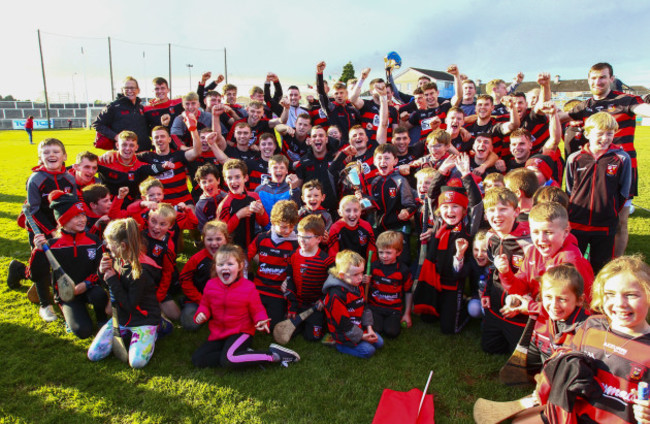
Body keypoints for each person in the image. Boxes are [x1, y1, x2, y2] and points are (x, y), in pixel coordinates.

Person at [536, 255, 650, 424]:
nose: (619, 303)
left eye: (631, 295)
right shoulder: (591, 325)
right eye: (610, 294)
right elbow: (564, 360)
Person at [561, 63, 650, 258]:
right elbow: (558, 118)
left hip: (622, 170)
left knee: (620, 222)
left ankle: (615, 264)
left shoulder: (624, 99)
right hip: (592, 168)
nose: (597, 82)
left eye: (602, 77)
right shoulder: (586, 106)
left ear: (611, 78)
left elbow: (645, 110)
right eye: (593, 78)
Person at [191, 244, 301, 369]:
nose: (225, 268)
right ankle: (246, 357)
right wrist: (202, 314)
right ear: (215, 267)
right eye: (220, 265)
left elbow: (257, 309)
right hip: (219, 332)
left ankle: (274, 355)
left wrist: (261, 321)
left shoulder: (248, 287)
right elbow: (205, 305)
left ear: (240, 266)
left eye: (230, 264)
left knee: (228, 360)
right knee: (198, 359)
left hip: (241, 331)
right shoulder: (211, 285)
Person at [8, 138, 77, 317]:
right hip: (38, 229)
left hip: (60, 229)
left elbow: (72, 206)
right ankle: (45, 306)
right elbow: (35, 211)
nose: (51, 155)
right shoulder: (36, 179)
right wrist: (51, 231)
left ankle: (18, 269)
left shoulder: (70, 179)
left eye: (56, 152)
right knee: (41, 265)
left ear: (64, 156)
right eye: (46, 152)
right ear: (40, 157)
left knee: (59, 263)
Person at [414, 153, 482, 335]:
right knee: (428, 318)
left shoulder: (467, 227)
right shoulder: (439, 224)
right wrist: (442, 171)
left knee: (449, 329)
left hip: (454, 283)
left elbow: (477, 205)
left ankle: (466, 303)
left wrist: (466, 174)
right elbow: (431, 194)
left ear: (463, 209)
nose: (449, 211)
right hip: (434, 279)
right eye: (445, 206)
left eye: (455, 207)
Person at [30, 190, 108, 336]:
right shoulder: (51, 245)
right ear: (63, 220)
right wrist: (38, 251)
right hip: (67, 294)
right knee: (83, 332)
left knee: (99, 295)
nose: (82, 220)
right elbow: (35, 275)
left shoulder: (93, 240)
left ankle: (101, 319)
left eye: (83, 215)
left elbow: (99, 270)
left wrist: (87, 284)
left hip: (89, 287)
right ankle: (67, 312)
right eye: (75, 216)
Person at [88, 218, 162, 369]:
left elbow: (130, 305)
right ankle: (128, 334)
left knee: (136, 363)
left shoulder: (141, 271)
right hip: (120, 318)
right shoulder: (118, 258)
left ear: (122, 245)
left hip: (143, 319)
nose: (107, 247)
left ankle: (156, 330)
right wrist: (102, 273)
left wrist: (113, 280)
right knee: (94, 355)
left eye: (110, 244)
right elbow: (107, 285)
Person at [566, 112, 631, 273]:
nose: (605, 138)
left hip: (604, 225)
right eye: (600, 133)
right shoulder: (575, 158)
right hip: (576, 223)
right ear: (587, 134)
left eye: (609, 133)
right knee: (575, 267)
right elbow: (568, 190)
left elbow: (624, 192)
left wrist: (610, 210)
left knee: (601, 269)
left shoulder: (621, 158)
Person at [481, 187, 532, 354]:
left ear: (516, 211)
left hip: (519, 310)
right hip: (496, 307)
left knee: (521, 357)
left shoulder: (529, 242)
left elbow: (535, 281)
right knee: (489, 348)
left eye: (503, 209)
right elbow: (492, 270)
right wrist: (487, 293)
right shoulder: (491, 236)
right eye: (491, 210)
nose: (497, 215)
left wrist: (522, 305)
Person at [247, 200, 299, 328]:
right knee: (246, 319)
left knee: (273, 324)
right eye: (283, 226)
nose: (287, 230)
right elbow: (244, 258)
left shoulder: (296, 244)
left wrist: (289, 280)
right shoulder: (261, 238)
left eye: (291, 226)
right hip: (258, 288)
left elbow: (297, 268)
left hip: (277, 292)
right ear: (273, 222)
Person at [322, 250, 384, 359]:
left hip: (358, 327)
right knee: (368, 351)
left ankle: (361, 339)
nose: (361, 277)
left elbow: (365, 309)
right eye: (356, 274)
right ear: (342, 275)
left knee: (380, 342)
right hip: (343, 333)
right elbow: (344, 324)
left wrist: (369, 329)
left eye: (362, 272)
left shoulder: (356, 285)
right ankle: (338, 344)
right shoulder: (336, 295)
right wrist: (363, 337)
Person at [284, 215, 334, 341]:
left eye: (306, 237)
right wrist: (292, 307)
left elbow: (333, 283)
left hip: (315, 306)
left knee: (313, 338)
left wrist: (323, 300)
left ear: (318, 239)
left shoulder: (326, 260)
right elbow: (290, 280)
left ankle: (318, 322)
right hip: (298, 304)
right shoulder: (293, 256)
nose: (302, 240)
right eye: (299, 236)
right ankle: (300, 322)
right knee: (290, 333)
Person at [180, 220, 229, 331]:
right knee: (191, 324)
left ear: (226, 239)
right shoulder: (197, 259)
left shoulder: (232, 257)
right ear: (203, 240)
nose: (214, 243)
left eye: (218, 239)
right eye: (209, 240)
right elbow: (184, 280)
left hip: (223, 300)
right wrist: (200, 299)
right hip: (199, 299)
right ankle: (188, 306)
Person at [364, 231, 413, 338]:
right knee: (376, 329)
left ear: (398, 252)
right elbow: (365, 288)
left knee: (391, 332)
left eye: (388, 253)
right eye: (381, 252)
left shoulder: (403, 270)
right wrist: (364, 281)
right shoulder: (373, 267)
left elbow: (408, 292)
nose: (384, 256)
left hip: (393, 310)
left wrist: (407, 314)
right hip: (375, 307)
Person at [217, 159, 269, 251]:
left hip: (251, 245)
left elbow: (264, 222)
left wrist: (261, 212)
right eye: (229, 178)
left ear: (245, 178)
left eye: (237, 177)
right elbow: (221, 233)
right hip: (231, 249)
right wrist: (238, 216)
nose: (233, 181)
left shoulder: (254, 196)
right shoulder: (225, 204)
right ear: (225, 180)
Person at [92, 76, 151, 151]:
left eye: (132, 88)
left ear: (138, 90)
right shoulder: (113, 106)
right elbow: (97, 124)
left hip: (144, 151)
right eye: (126, 88)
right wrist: (115, 136)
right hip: (125, 153)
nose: (129, 90)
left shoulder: (141, 108)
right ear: (122, 90)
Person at [328, 195, 376, 259]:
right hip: (342, 268)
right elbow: (333, 255)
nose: (352, 215)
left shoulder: (366, 226)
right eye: (348, 210)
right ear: (340, 212)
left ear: (360, 211)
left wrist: (370, 268)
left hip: (362, 267)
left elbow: (372, 253)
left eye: (356, 210)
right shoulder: (335, 229)